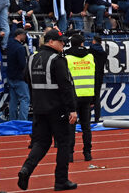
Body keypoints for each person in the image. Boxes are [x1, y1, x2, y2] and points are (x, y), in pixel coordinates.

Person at [18, 29, 77, 191]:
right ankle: (61, 181)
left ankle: (26, 169)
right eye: (60, 42)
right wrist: (72, 109)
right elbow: (66, 86)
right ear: (50, 42)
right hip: (58, 110)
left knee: (41, 143)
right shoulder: (57, 59)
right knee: (64, 143)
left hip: (39, 108)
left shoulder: (31, 58)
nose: (63, 44)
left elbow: (26, 79)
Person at [65, 34, 96, 162]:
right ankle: (87, 153)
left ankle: (70, 154)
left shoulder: (67, 58)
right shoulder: (90, 56)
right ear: (82, 43)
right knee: (86, 127)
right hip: (88, 95)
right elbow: (96, 76)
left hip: (73, 97)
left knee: (71, 127)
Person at [6, 28, 30, 121]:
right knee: (25, 99)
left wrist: (15, 24)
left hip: (11, 77)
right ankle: (22, 122)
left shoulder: (10, 44)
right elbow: (22, 64)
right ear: (19, 35)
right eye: (24, 35)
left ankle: (13, 121)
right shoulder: (20, 48)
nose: (25, 37)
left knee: (13, 101)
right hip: (19, 78)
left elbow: (11, 35)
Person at [89, 34, 108, 122]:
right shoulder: (104, 53)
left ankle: (86, 118)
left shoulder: (90, 51)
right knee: (97, 97)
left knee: (88, 97)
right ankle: (97, 117)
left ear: (94, 41)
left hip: (91, 75)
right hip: (99, 75)